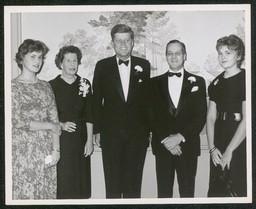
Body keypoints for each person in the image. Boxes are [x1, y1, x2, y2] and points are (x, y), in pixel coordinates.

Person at [92, 24, 151, 198]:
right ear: (113, 43)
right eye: (119, 41)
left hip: (137, 136)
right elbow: (96, 101)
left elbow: (148, 101)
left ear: (133, 42)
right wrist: (97, 130)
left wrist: (148, 131)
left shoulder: (144, 65)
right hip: (110, 135)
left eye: (127, 40)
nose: (123, 44)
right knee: (112, 186)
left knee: (134, 187)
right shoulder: (102, 66)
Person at [149, 40, 207, 198]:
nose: (174, 56)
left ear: (185, 55)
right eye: (170, 53)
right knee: (163, 194)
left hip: (187, 147)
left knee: (187, 193)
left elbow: (200, 115)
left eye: (178, 53)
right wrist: (167, 140)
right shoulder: (153, 83)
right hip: (163, 147)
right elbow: (150, 116)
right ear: (166, 56)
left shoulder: (199, 82)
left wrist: (180, 137)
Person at [12, 39, 61, 199]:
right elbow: (18, 121)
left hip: (46, 151)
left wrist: (56, 150)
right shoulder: (12, 87)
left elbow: (55, 119)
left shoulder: (46, 86)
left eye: (40, 57)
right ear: (21, 59)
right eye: (32, 56)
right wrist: (49, 125)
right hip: (23, 151)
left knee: (46, 194)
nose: (37, 61)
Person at [49, 45, 93, 199]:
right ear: (61, 63)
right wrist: (62, 125)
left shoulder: (85, 84)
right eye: (68, 60)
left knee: (81, 184)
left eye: (75, 60)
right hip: (61, 139)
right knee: (64, 183)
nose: (72, 64)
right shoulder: (51, 86)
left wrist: (89, 141)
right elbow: (48, 117)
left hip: (81, 139)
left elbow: (89, 114)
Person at [207, 34, 246, 197]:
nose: (222, 57)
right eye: (220, 53)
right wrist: (211, 148)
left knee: (237, 188)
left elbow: (248, 119)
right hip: (219, 140)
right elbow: (210, 118)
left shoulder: (246, 79)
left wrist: (230, 150)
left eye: (228, 53)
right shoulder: (215, 83)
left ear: (238, 55)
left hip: (239, 139)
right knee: (217, 190)